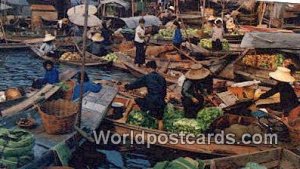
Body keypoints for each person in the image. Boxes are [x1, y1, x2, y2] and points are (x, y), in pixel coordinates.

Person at [125, 61, 167, 130]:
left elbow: (136, 84)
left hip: (151, 101)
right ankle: (160, 134)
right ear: (155, 68)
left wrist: (127, 87)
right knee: (160, 120)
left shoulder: (147, 77)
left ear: (149, 68)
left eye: (147, 69)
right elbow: (164, 93)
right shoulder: (162, 78)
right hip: (161, 103)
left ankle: (124, 118)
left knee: (133, 101)